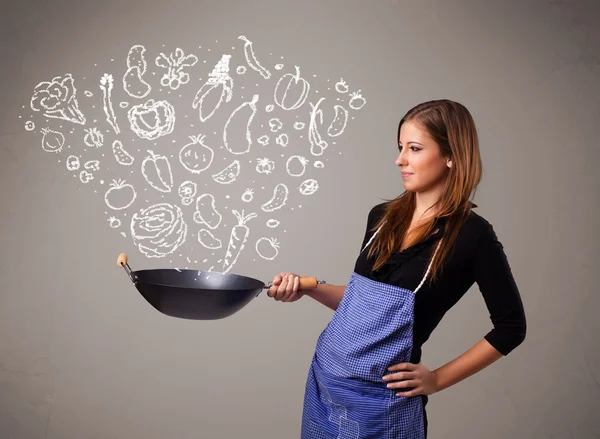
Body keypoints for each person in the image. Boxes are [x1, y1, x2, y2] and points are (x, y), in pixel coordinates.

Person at [266, 99, 527, 439]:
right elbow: (364, 304)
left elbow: (511, 328)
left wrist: (436, 380)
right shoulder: (381, 217)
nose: (400, 159)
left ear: (451, 156)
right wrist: (310, 286)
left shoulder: (471, 236)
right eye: (400, 147)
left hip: (381, 402)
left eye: (414, 148)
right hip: (325, 382)